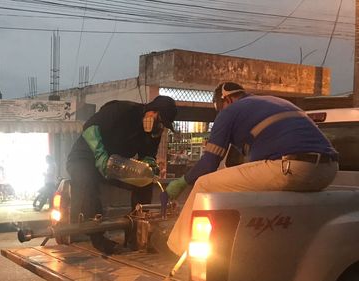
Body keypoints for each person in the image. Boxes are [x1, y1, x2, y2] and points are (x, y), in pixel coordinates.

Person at [166, 82, 339, 255]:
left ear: (227, 99)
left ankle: (177, 249)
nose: (220, 112)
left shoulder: (230, 111)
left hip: (291, 168)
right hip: (328, 171)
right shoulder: (273, 102)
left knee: (204, 184)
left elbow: (209, 163)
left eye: (219, 108)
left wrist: (182, 182)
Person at [66, 96, 177, 253]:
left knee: (144, 182)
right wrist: (100, 155)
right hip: (84, 159)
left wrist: (151, 168)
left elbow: (148, 157)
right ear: (151, 111)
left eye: (163, 125)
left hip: (113, 165)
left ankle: (135, 235)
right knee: (87, 181)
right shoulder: (122, 110)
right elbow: (90, 128)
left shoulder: (152, 134)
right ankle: (98, 238)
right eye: (160, 120)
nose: (160, 126)